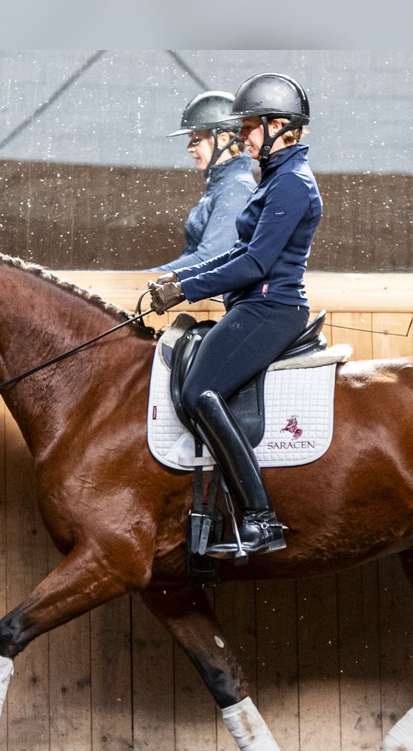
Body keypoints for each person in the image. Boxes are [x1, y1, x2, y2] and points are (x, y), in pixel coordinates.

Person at [146, 73, 321, 557]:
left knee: (200, 391)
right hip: (254, 305)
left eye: (249, 127)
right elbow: (236, 253)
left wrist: (185, 288)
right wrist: (179, 283)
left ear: (278, 126)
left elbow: (256, 264)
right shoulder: (275, 180)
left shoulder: (291, 184)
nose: (244, 137)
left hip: (271, 309)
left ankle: (262, 518)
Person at [152, 91, 256, 271]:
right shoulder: (221, 186)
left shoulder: (237, 188)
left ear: (223, 139)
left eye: (196, 140)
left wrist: (145, 279)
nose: (189, 149)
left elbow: (211, 258)